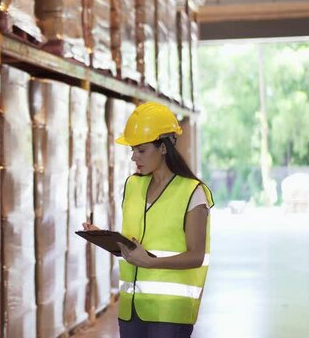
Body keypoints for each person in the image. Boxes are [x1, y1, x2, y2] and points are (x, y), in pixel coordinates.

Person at [82, 102, 213, 338]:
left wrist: (149, 263)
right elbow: (136, 244)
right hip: (131, 307)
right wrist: (106, 238)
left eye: (141, 150)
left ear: (163, 148)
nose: (134, 157)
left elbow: (196, 256)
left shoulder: (193, 192)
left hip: (169, 313)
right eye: (132, 150)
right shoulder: (133, 185)